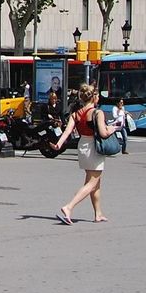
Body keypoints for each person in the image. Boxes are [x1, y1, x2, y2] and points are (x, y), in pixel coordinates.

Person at [52, 82, 115, 224]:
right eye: (97, 96)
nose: (98, 98)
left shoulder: (75, 114)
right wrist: (112, 129)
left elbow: (67, 132)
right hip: (94, 147)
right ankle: (69, 207)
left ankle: (98, 214)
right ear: (93, 98)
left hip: (82, 147)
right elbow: (104, 133)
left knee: (95, 182)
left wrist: (58, 144)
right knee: (92, 183)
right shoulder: (98, 113)